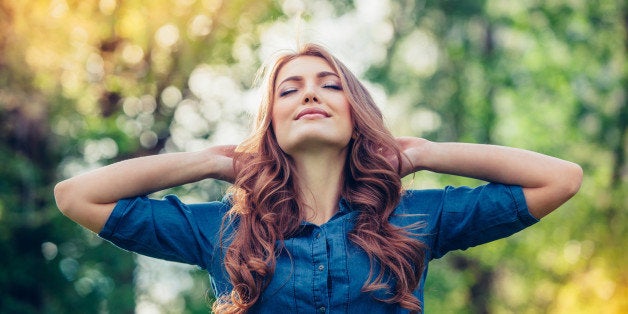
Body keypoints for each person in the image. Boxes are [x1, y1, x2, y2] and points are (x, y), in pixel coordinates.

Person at [54, 43, 583, 313]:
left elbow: (559, 179)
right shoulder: (222, 230)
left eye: (329, 86)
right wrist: (216, 160)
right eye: (289, 90)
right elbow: (77, 196)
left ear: (355, 114)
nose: (309, 94)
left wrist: (423, 153)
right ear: (272, 125)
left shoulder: (418, 218)